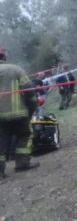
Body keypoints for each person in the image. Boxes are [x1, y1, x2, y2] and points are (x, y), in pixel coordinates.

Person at [0, 47, 40, 179]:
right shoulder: (15, 69)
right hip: (19, 114)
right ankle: (22, 163)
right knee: (25, 135)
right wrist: (32, 108)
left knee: (1, 140)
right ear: (4, 57)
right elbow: (29, 90)